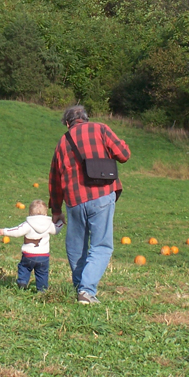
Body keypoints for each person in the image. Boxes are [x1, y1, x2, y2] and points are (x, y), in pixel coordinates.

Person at [49, 105, 131, 305]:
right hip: (102, 195)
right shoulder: (101, 128)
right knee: (101, 245)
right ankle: (86, 291)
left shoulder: (62, 141)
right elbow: (124, 155)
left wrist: (57, 210)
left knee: (76, 247)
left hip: (74, 200)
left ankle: (80, 288)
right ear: (85, 118)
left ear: (67, 123)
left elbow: (55, 178)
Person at [0, 199, 64, 292]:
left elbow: (17, 231)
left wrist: (4, 231)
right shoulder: (49, 224)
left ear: (30, 213)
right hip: (43, 256)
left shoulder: (28, 224)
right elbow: (56, 229)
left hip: (29, 255)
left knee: (24, 267)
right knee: (42, 273)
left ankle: (22, 282)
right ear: (45, 214)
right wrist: (61, 221)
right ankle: (42, 290)